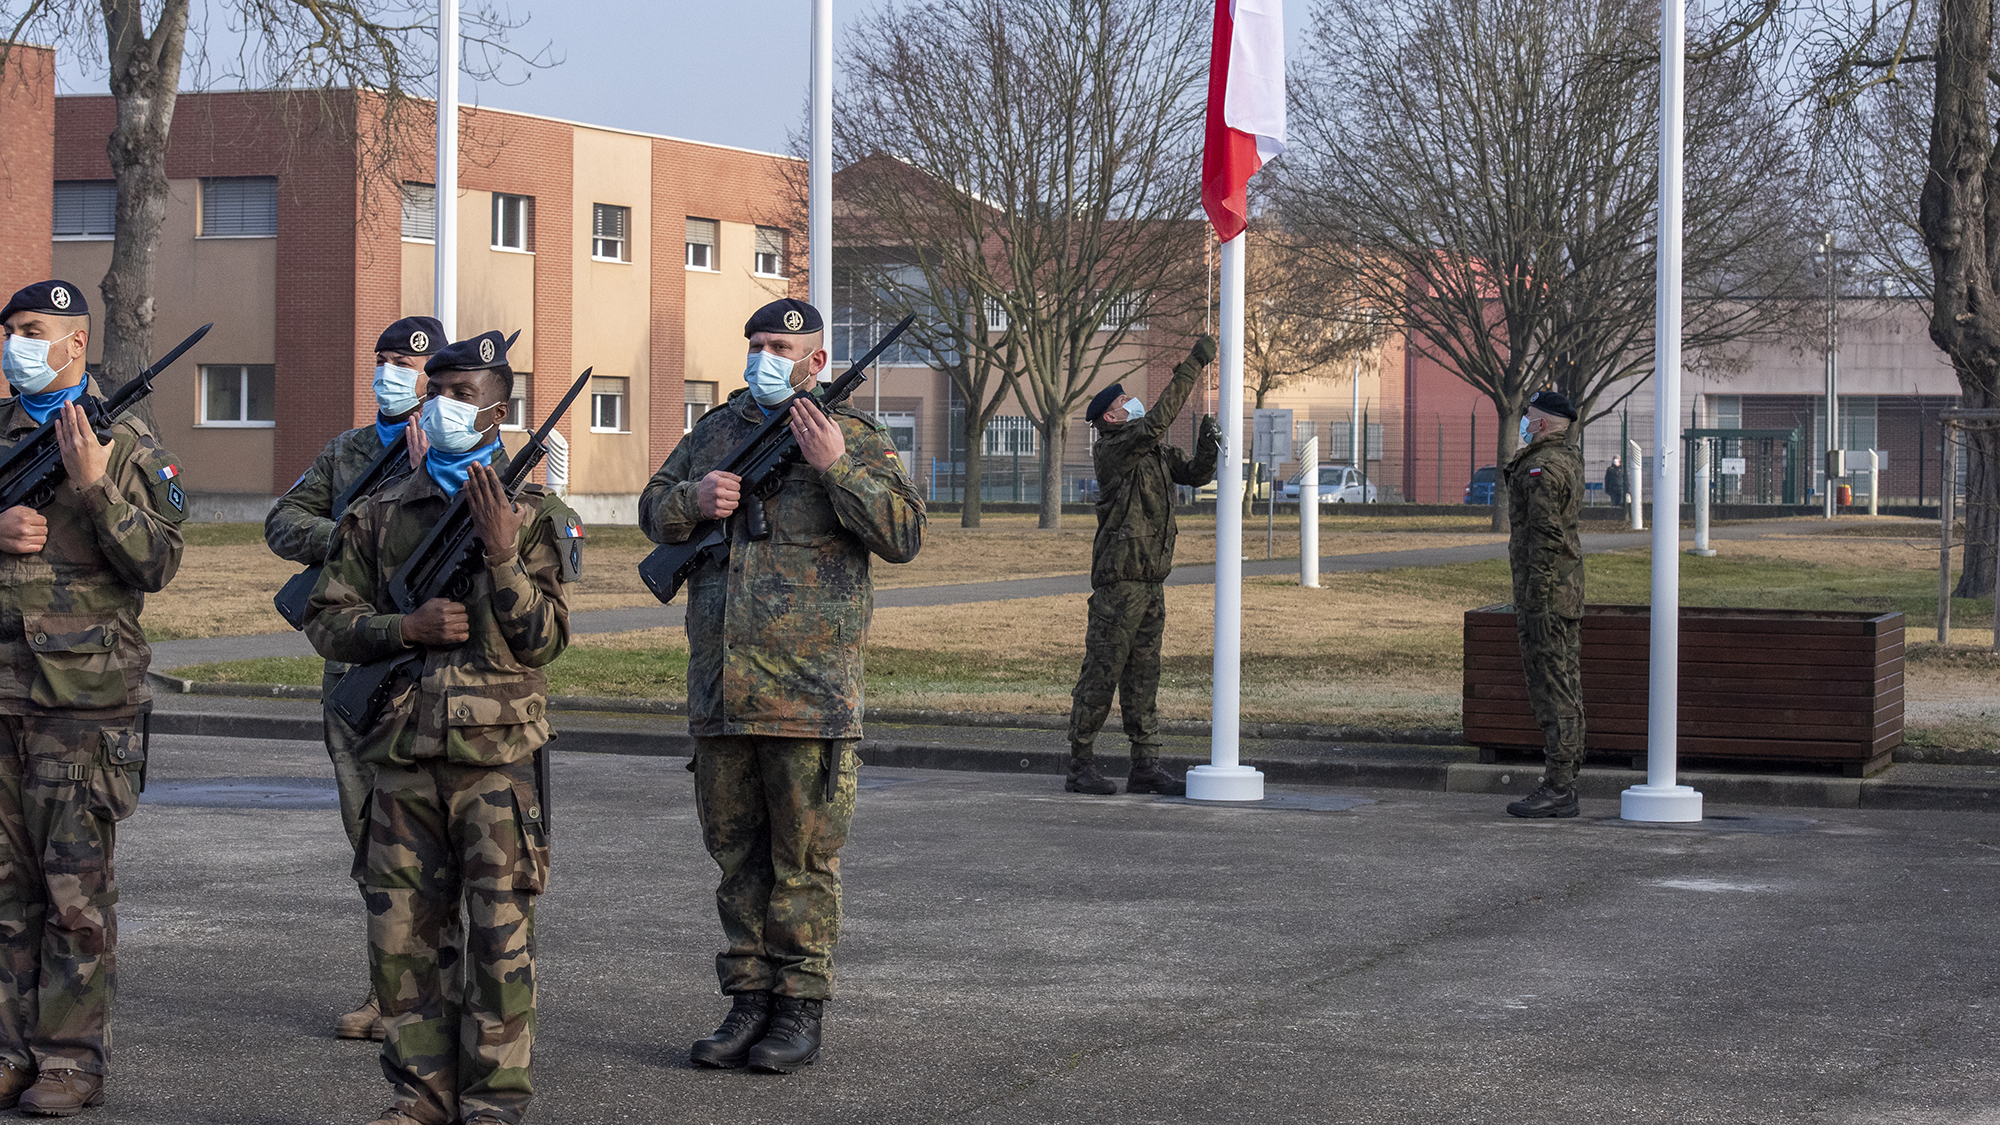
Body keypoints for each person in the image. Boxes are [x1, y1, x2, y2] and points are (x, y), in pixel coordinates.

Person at [639, 297, 923, 1074]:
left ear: (817, 362)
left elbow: (903, 533)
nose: (765, 357)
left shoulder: (853, 435)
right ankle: (748, 1000)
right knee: (737, 862)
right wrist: (691, 501)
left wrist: (835, 467)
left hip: (810, 694)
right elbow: (652, 507)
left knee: (803, 865)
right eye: (757, 343)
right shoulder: (716, 431)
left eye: (782, 347)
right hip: (723, 691)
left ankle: (798, 1007)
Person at [305, 329, 581, 1125]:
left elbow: (546, 640)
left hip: (497, 763)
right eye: (438, 392)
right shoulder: (380, 511)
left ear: (499, 412)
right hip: (401, 754)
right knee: (404, 943)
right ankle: (420, 1095)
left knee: (500, 944)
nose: (443, 407)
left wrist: (503, 558)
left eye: (464, 395)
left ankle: (492, 1102)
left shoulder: (537, 517)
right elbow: (327, 621)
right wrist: (405, 628)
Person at [0, 280, 187, 1115]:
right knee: (5, 889)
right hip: (2, 696)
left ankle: (70, 1060)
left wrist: (94, 487)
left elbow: (159, 563)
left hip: (84, 701)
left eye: (32, 330)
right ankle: (9, 1049)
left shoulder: (128, 444)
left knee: (73, 894)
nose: (16, 345)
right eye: (10, 331)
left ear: (76, 343)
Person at [264, 315, 442, 1041]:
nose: (393, 373)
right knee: (370, 839)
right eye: (386, 359)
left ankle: (447, 993)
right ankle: (389, 994)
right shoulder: (349, 451)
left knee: (442, 844)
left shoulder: (466, 451)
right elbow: (283, 521)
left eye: (410, 364)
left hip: (435, 673)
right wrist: (346, 533)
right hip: (354, 668)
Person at [1063, 337, 1221, 797]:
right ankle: (1080, 764)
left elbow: (1196, 474)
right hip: (1120, 584)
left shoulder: (1152, 452)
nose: (1132, 403)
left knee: (1144, 675)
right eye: (1124, 402)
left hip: (1151, 582)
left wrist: (1207, 443)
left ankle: (1145, 764)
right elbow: (1156, 422)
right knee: (1102, 672)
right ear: (1112, 418)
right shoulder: (1115, 449)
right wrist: (1193, 364)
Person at [1503, 389, 1586, 819]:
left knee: (1552, 690)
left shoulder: (1542, 467)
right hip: (1563, 593)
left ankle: (1559, 786)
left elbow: (1546, 538)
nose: (1523, 420)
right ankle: (1564, 780)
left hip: (1548, 597)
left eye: (1528, 414)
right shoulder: (1564, 458)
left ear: (1543, 422)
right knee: (1565, 685)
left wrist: (1535, 602)